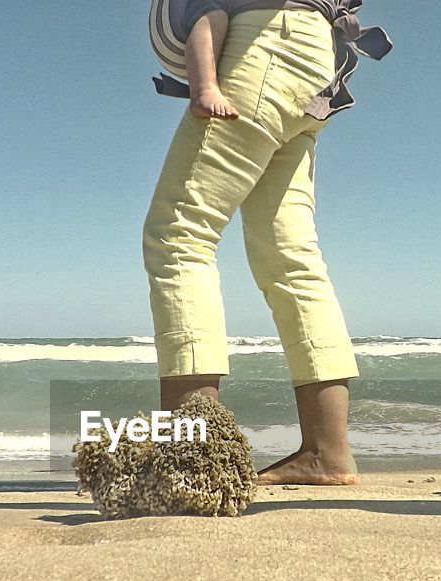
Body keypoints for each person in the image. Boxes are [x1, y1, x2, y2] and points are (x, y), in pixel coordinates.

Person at [143, 0, 391, 486]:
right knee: (290, 257)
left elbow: (207, 16)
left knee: (179, 232)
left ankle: (192, 453)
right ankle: (327, 453)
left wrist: (204, 84)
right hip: (316, 63)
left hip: (267, 51)